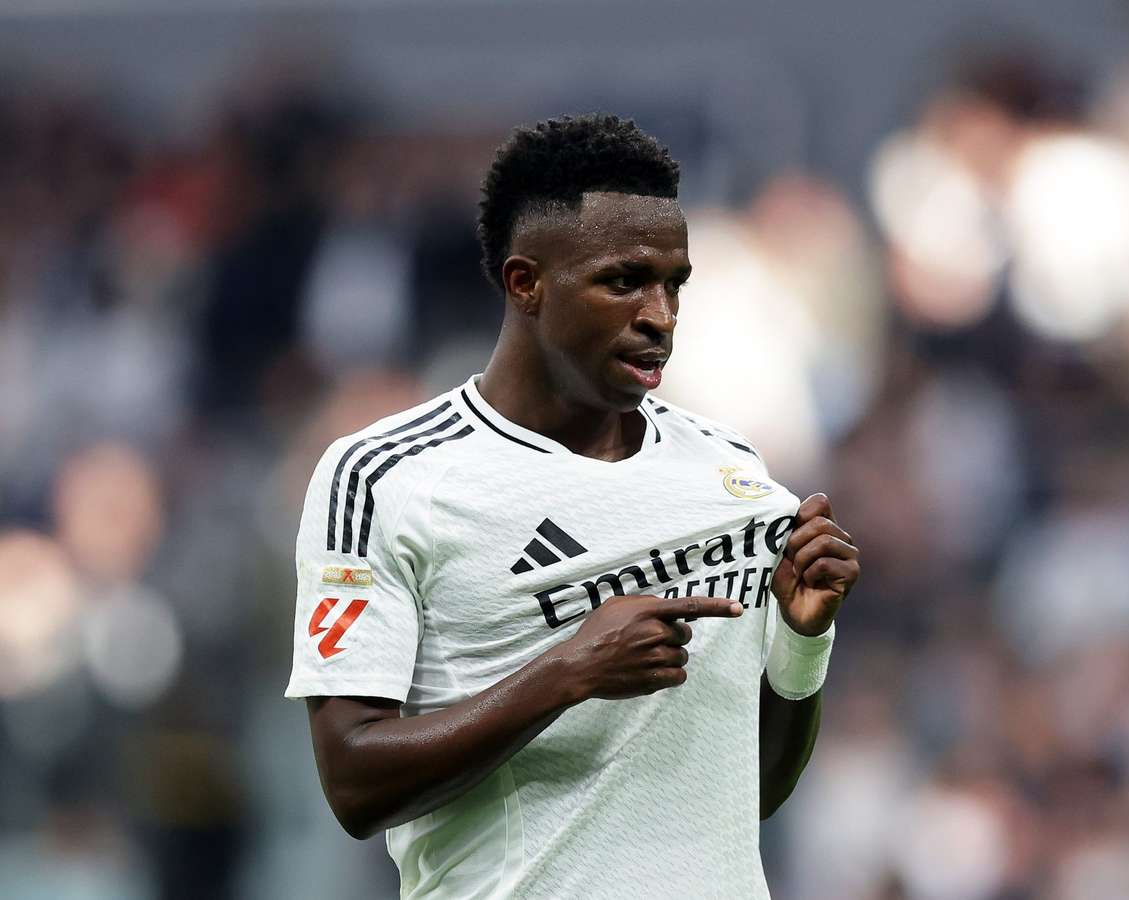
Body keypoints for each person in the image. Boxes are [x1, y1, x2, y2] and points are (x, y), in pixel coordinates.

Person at [285, 114, 860, 899]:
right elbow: (354, 783)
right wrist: (569, 671)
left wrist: (802, 637)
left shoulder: (731, 472)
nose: (660, 315)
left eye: (675, 284)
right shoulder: (386, 477)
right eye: (624, 282)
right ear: (526, 283)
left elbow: (750, 792)